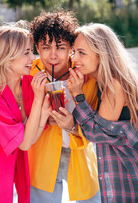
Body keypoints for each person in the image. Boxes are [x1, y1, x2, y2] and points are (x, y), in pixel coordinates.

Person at [50, 23, 138, 203]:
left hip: (129, 175)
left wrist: (78, 95)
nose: (74, 59)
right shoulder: (102, 83)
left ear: (102, 54)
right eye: (73, 52)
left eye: (82, 53)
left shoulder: (114, 84)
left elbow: (96, 132)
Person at [27, 10, 101, 202]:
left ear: (71, 48)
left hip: (80, 155)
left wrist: (73, 126)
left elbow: (96, 126)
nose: (53, 55)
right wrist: (42, 120)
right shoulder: (28, 74)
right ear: (37, 47)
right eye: (45, 47)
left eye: (60, 47)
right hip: (41, 158)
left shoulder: (87, 77)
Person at [0, 25, 51, 203]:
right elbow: (25, 143)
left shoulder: (28, 83)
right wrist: (38, 104)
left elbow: (30, 138)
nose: (33, 58)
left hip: (16, 167)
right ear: (7, 58)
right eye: (26, 52)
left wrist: (43, 114)